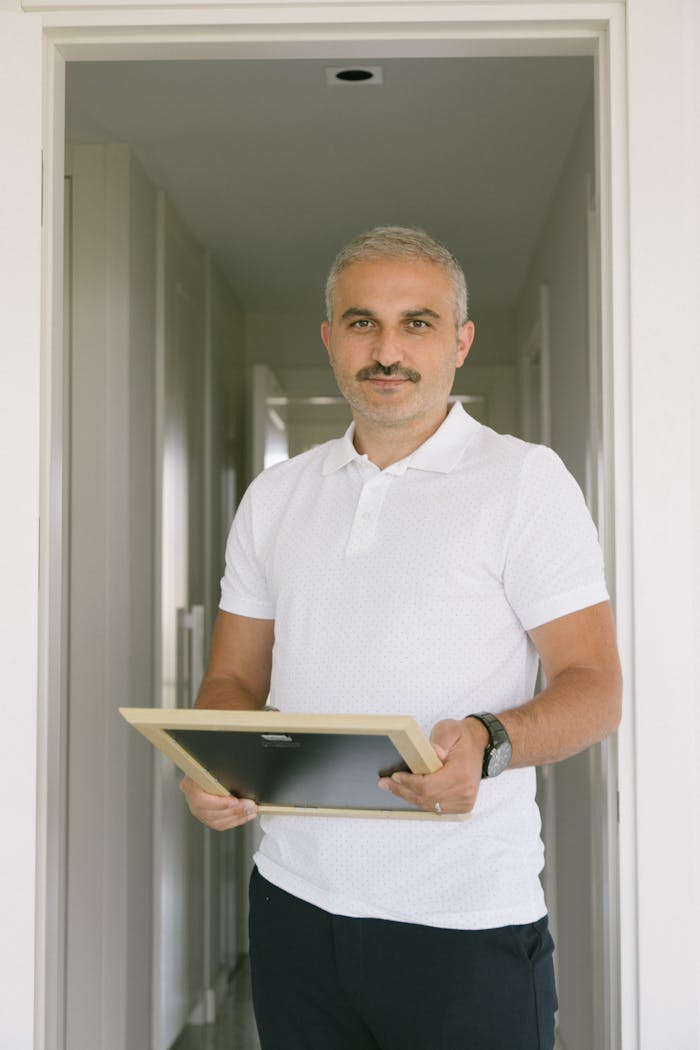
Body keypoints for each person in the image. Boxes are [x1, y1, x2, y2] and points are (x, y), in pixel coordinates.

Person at [181, 226, 622, 1050]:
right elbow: (232, 681)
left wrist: (491, 741)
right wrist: (215, 760)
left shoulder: (524, 481)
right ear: (329, 339)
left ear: (460, 341)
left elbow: (596, 687)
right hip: (294, 910)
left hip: (464, 920)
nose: (388, 350)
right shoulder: (274, 498)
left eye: (416, 323)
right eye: (361, 323)